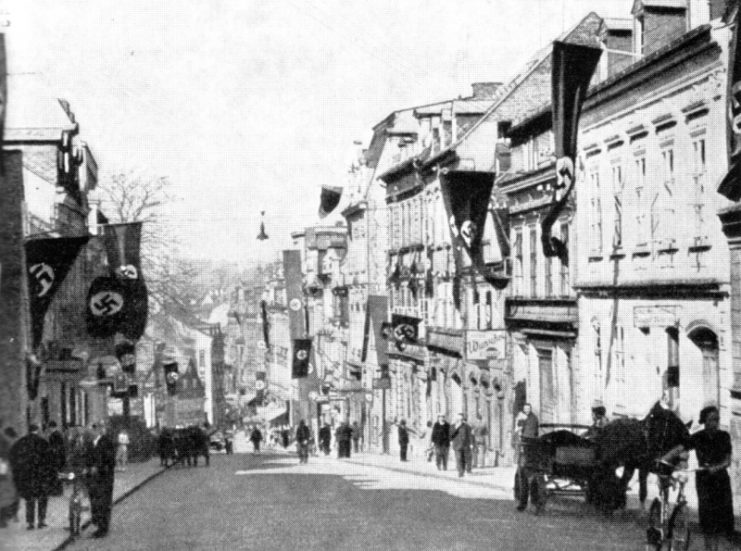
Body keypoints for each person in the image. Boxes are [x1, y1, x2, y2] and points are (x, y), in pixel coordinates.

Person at [687, 406, 735, 551]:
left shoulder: (724, 436)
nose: (715, 423)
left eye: (717, 419)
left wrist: (716, 468)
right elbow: (682, 448)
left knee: (721, 519)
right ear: (704, 421)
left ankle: (718, 548)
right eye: (712, 420)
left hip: (721, 481)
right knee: (707, 520)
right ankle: (709, 549)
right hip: (704, 482)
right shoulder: (698, 437)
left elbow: (727, 461)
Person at [9, 424, 55, 530]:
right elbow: (50, 459)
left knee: (30, 499)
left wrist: (18, 471)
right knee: (42, 498)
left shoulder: (21, 442)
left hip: (27, 476)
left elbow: (13, 457)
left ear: (28, 431)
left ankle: (30, 522)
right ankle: (41, 521)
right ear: (37, 431)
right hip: (41, 476)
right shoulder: (43, 442)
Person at [85, 423, 116, 538]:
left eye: (91, 431)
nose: (89, 434)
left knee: (103, 502)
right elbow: (87, 458)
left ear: (97, 431)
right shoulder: (89, 444)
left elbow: (111, 461)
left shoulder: (107, 442)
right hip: (92, 479)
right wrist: (87, 468)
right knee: (94, 502)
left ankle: (103, 528)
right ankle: (97, 523)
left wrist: (98, 468)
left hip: (104, 478)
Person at [1, 428, 19, 525]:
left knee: (8, 492)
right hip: (10, 469)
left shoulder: (7, 441)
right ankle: (11, 514)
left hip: (7, 469)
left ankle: (8, 515)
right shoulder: (9, 441)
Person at [449, 413, 473, 478]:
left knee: (464, 459)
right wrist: (456, 427)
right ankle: (460, 472)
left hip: (465, 445)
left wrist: (471, 444)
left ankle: (463, 470)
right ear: (456, 419)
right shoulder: (453, 426)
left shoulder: (467, 426)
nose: (460, 421)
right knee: (458, 458)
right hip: (457, 445)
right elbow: (450, 435)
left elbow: (470, 435)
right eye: (459, 419)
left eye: (461, 419)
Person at [46, 421, 66, 496]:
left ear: (51, 427)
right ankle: (58, 491)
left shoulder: (54, 435)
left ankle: (56, 491)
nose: (49, 429)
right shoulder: (58, 434)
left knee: (55, 474)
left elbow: (55, 447)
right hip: (59, 457)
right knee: (58, 474)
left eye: (49, 428)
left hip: (55, 458)